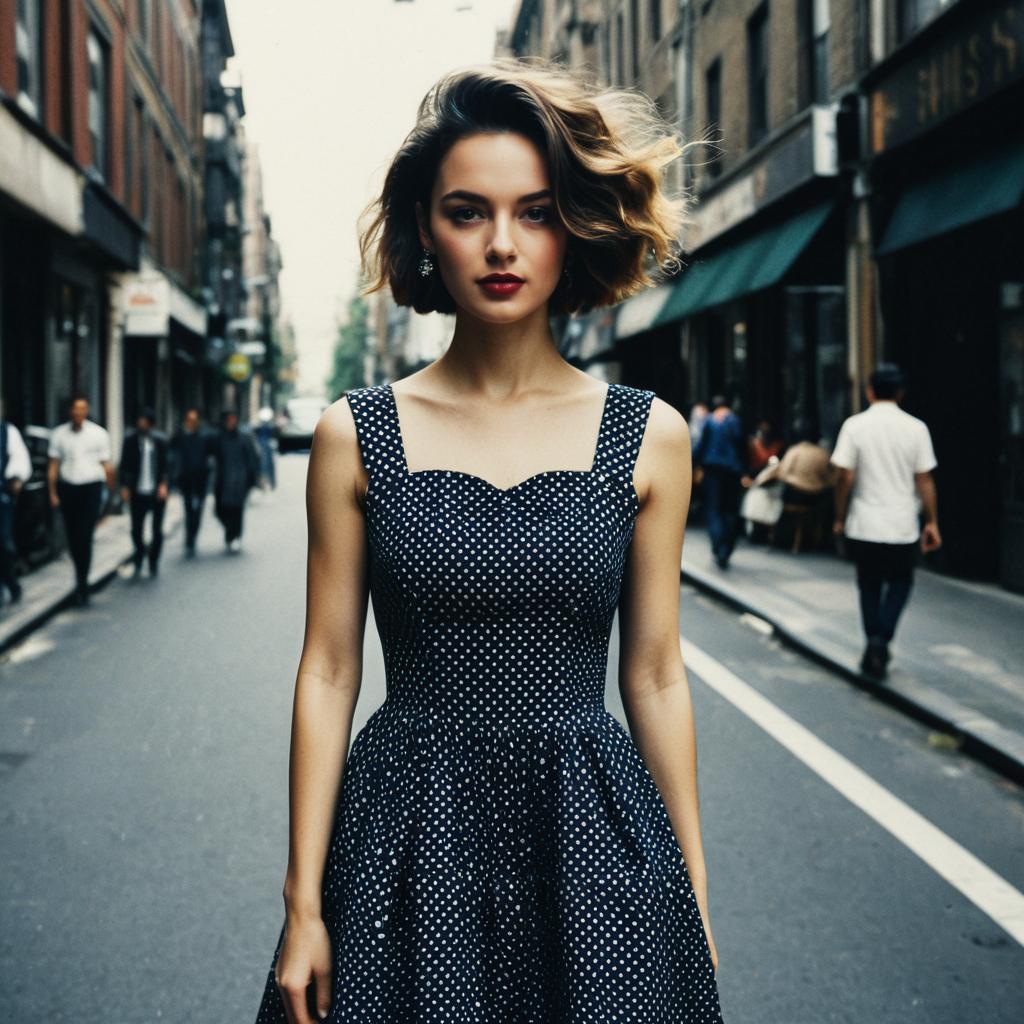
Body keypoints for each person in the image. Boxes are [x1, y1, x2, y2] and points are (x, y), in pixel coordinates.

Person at [254, 59, 724, 1024]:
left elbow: (656, 675)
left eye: (537, 212)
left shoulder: (651, 435)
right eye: (468, 212)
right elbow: (330, 669)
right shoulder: (355, 433)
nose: (501, 244)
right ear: (427, 229)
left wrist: (692, 891)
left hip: (594, 839)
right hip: (402, 837)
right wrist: (303, 902)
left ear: (576, 227)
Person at [830, 364, 941, 678]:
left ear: (869, 390)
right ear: (900, 393)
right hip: (902, 524)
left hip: (864, 522)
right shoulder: (916, 428)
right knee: (901, 582)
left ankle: (874, 641)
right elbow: (925, 481)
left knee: (869, 584)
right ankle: (882, 639)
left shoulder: (855, 426)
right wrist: (932, 522)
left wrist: (839, 516)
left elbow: (844, 476)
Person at [47, 392, 115, 606]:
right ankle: (80, 575)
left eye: (82, 408)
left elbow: (107, 466)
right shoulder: (59, 434)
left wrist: (111, 495)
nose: (78, 412)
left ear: (87, 410)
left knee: (85, 536)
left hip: (91, 489)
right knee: (73, 537)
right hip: (68, 488)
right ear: (70, 411)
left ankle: (82, 582)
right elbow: (53, 466)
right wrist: (53, 493)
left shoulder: (98, 434)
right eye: (75, 408)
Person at [692, 393, 752, 569]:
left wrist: (692, 463)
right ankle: (727, 546)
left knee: (714, 509)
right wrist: (745, 471)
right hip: (732, 471)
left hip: (712, 471)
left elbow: (701, 446)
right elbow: (743, 447)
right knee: (730, 509)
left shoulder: (709, 421)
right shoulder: (735, 420)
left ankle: (719, 547)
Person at [118, 406, 169, 578]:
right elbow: (124, 465)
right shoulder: (130, 440)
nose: (142, 424)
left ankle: (153, 560)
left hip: (156, 492)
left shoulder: (160, 441)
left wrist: (164, 484)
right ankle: (139, 555)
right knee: (136, 529)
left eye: (145, 421)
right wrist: (124, 486)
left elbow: (166, 465)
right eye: (140, 421)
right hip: (138, 491)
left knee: (157, 530)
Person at [210, 409, 260, 553]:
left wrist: (251, 479)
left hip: (240, 481)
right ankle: (230, 532)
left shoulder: (244, 438)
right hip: (223, 480)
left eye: (234, 420)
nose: (231, 423)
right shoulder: (219, 438)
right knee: (221, 510)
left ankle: (235, 536)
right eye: (229, 420)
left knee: (237, 511)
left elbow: (252, 458)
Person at [0, 404, 33, 606]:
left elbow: (20, 459)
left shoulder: (6, 431)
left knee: (3, 541)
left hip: (1, 496)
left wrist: (16, 478)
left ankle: (11, 584)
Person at [169, 407, 212, 556]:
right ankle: (189, 539)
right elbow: (172, 454)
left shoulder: (203, 437)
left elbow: (210, 456)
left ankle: (193, 536)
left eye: (194, 420)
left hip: (200, 479)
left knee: (198, 510)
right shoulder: (179, 436)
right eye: (189, 420)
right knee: (188, 509)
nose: (192, 423)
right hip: (185, 479)